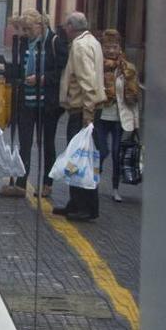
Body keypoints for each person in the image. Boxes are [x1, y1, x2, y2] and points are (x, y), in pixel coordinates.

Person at [0, 9, 68, 198]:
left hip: (47, 103)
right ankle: (21, 183)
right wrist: (7, 69)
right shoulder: (24, 44)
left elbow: (62, 71)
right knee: (25, 143)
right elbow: (21, 69)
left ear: (40, 25)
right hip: (26, 102)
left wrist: (41, 79)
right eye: (23, 29)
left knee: (47, 143)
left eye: (28, 29)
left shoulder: (53, 43)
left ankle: (47, 182)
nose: (25, 33)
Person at [52, 12, 106, 220]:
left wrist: (88, 114)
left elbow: (87, 81)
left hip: (83, 110)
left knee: (80, 159)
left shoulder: (80, 46)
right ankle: (76, 202)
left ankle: (85, 206)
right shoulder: (92, 41)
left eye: (66, 26)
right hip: (87, 109)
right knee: (82, 157)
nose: (64, 29)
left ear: (71, 27)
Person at [94, 29, 140, 204]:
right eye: (107, 47)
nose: (111, 51)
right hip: (102, 116)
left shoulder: (127, 69)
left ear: (119, 47)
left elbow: (134, 97)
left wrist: (135, 122)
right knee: (102, 151)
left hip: (120, 118)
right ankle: (94, 182)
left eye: (114, 47)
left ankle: (115, 189)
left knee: (116, 153)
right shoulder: (97, 67)